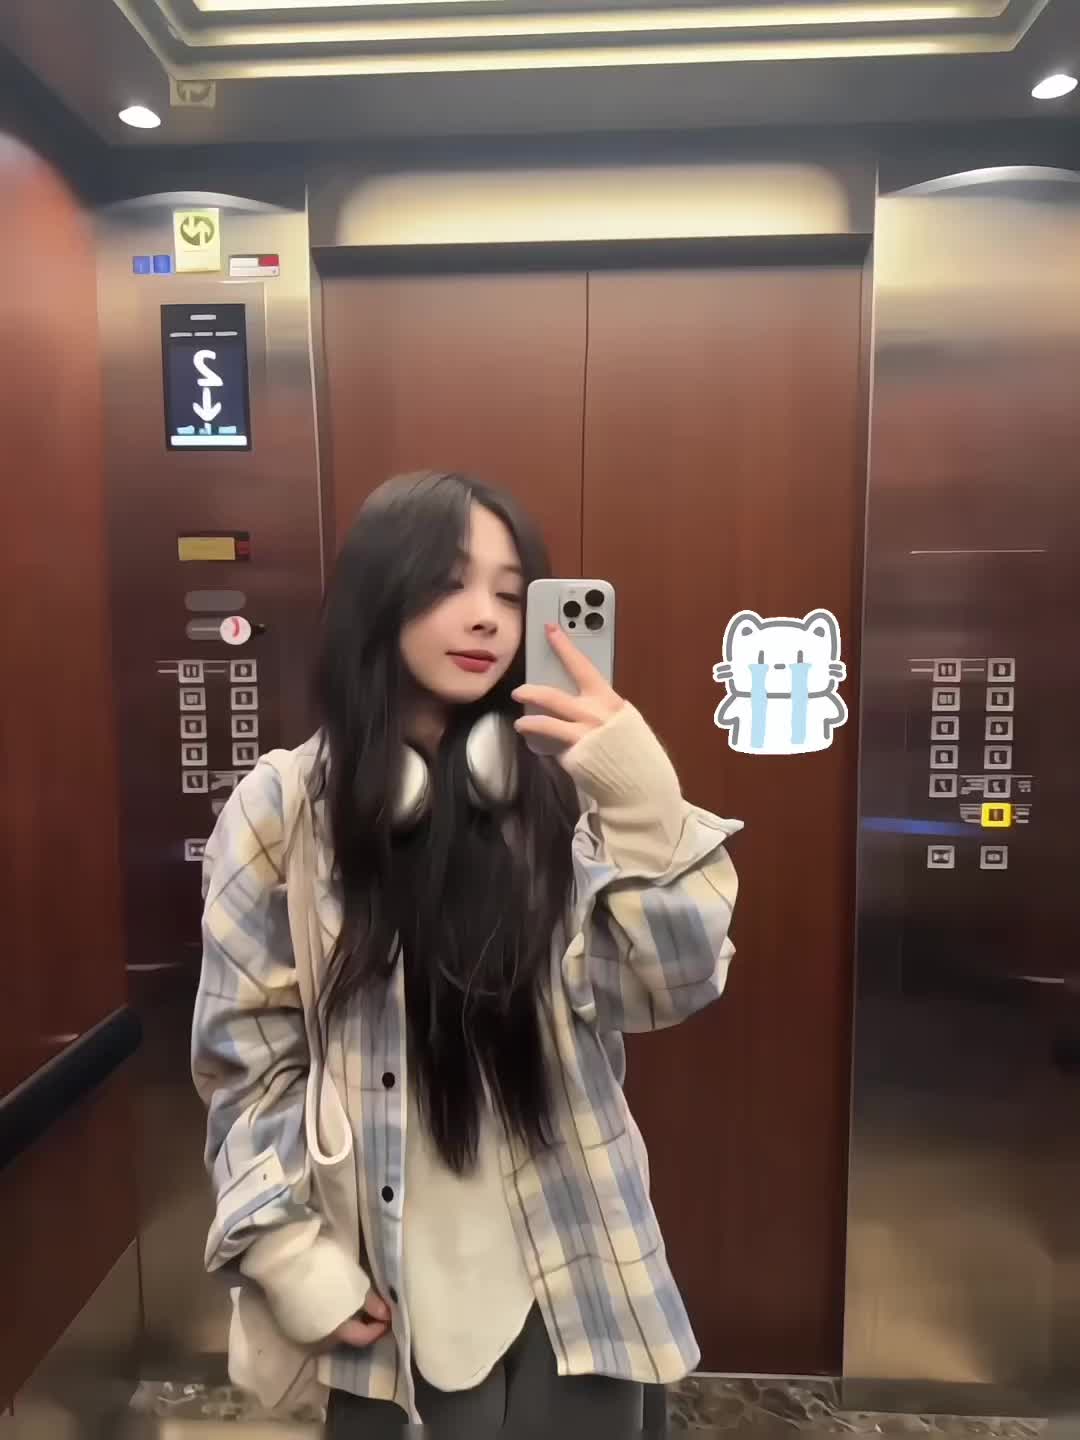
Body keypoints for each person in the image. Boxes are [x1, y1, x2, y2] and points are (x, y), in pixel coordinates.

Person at [192, 471, 741, 1437]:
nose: (486, 615)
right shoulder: (283, 811)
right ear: (380, 595)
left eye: (509, 590)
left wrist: (645, 808)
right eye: (449, 583)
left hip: (576, 1265)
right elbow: (247, 1060)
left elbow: (668, 987)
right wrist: (291, 1260)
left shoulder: (563, 795)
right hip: (383, 1287)